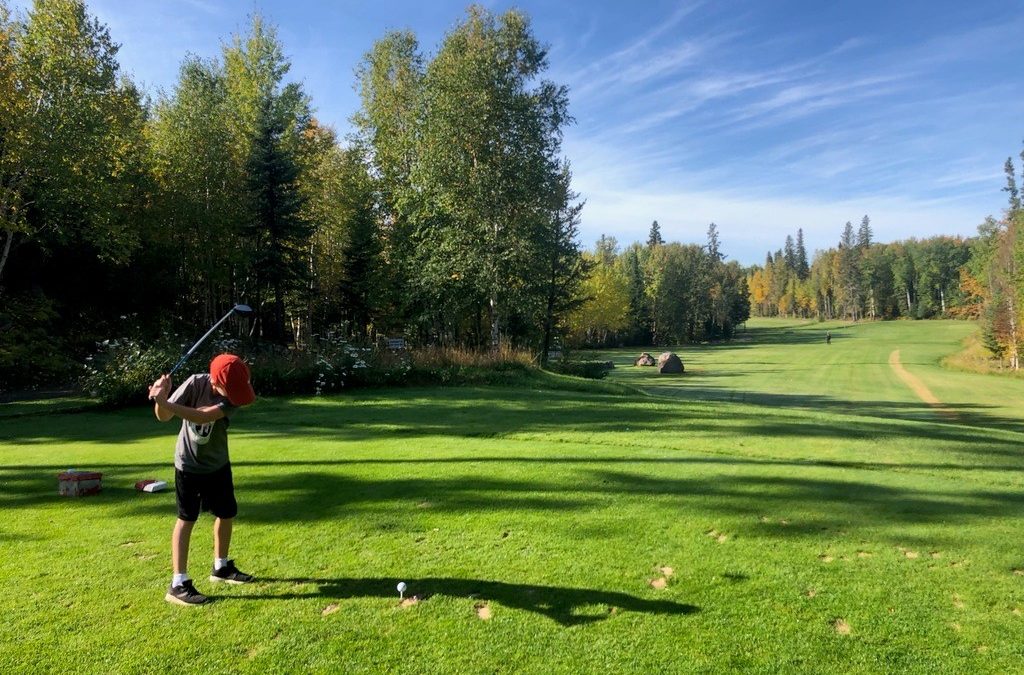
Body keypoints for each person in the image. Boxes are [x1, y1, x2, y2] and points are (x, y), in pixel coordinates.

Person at [149, 353, 257, 606]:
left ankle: (221, 568)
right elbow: (162, 416)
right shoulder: (195, 383)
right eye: (229, 389)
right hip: (188, 465)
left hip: (218, 463)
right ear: (215, 380)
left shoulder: (231, 399)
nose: (233, 394)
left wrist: (166, 401)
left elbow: (203, 416)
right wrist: (160, 397)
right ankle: (178, 583)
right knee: (186, 519)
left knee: (226, 513)